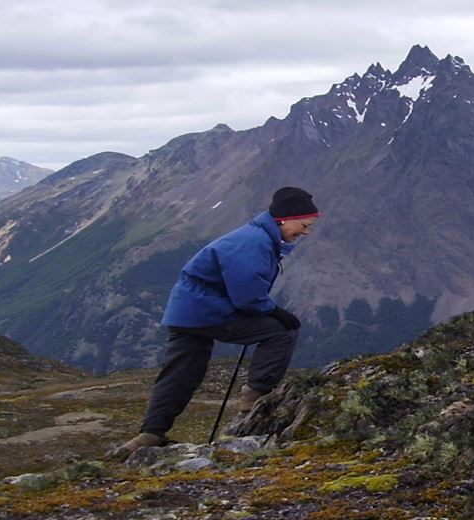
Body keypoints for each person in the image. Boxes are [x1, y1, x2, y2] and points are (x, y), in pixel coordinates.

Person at [110, 187, 318, 457]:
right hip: (208, 311)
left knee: (181, 373)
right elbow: (246, 297)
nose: (305, 232)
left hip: (188, 311)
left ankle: (150, 434)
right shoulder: (254, 242)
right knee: (281, 331)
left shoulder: (256, 236)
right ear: (284, 219)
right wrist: (275, 311)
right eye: (303, 225)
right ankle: (254, 401)